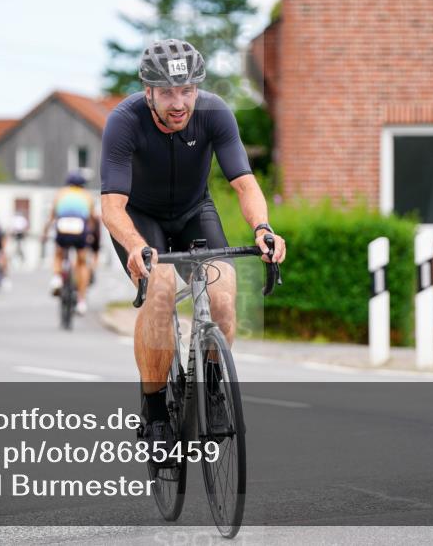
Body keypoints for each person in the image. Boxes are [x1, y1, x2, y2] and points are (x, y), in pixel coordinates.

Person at [100, 39, 287, 454]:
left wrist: (263, 228)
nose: (179, 102)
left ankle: (215, 389)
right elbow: (112, 206)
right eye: (167, 92)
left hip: (192, 211)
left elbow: (244, 182)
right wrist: (134, 244)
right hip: (141, 219)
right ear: (147, 91)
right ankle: (154, 411)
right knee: (161, 288)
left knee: (222, 292)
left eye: (187, 90)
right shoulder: (124, 121)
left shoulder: (215, 113)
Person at [44, 170, 99, 315]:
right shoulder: (87, 196)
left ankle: (56, 278)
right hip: (80, 226)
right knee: (82, 263)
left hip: (63, 224)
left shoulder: (61, 193)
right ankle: (81, 301)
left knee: (58, 254)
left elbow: (51, 217)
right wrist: (91, 236)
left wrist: (44, 234)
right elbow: (92, 220)